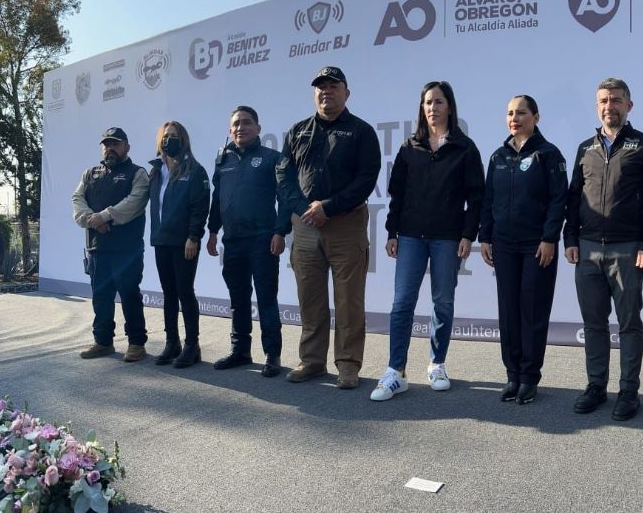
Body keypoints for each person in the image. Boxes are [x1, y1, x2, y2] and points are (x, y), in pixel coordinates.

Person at [371, 81, 485, 402]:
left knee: (443, 303)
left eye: (438, 102)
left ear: (449, 106)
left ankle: (437, 364)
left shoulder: (465, 148)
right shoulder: (409, 147)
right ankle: (396, 372)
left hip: (447, 238)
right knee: (402, 302)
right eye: (427, 103)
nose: (432, 108)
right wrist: (392, 232)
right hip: (410, 236)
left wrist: (467, 235)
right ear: (422, 109)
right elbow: (398, 195)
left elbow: (476, 198)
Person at [563, 78, 643, 421]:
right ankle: (596, 386)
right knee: (593, 323)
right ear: (598, 106)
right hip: (588, 249)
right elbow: (573, 197)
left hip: (628, 250)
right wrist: (570, 239)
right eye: (604, 101)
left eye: (617, 100)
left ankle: (628, 391)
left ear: (629, 106)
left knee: (628, 324)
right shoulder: (585, 148)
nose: (610, 106)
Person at [276, 66, 381, 389]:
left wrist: (329, 207)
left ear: (346, 93)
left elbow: (366, 179)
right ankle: (312, 361)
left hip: (345, 224)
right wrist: (304, 209)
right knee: (310, 297)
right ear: (314, 94)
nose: (326, 92)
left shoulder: (361, 132)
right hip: (305, 224)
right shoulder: (297, 131)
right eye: (321, 87)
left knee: (349, 299)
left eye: (333, 86)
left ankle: (348, 365)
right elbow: (283, 175)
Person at [478, 95, 568, 405]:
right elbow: (488, 200)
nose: (515, 118)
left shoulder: (549, 154)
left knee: (532, 311)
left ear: (536, 117)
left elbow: (559, 200)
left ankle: (530, 377)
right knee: (509, 311)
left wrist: (549, 238)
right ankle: (512, 374)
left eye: (522, 112)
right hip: (503, 245)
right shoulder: (498, 157)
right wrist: (485, 237)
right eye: (510, 113)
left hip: (536, 246)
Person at [207, 106, 291, 377]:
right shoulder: (223, 160)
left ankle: (272, 355)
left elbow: (285, 199)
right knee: (238, 298)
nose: (240, 127)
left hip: (262, 240)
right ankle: (240, 351)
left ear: (258, 128)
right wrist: (212, 231)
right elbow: (217, 199)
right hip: (232, 241)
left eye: (246, 123)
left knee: (266, 298)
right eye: (236, 124)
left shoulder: (272, 158)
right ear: (230, 130)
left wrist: (280, 231)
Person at [72, 127, 150, 362]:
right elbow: (77, 200)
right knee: (101, 296)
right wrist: (92, 221)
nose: (110, 148)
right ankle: (103, 342)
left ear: (127, 147)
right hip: (97, 247)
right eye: (106, 145)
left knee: (129, 295)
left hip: (127, 248)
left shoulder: (137, 173)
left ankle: (136, 343)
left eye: (115, 144)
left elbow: (135, 202)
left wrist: (105, 216)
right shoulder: (90, 174)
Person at [148, 121, 210, 368]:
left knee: (185, 292)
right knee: (169, 294)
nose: (168, 140)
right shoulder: (154, 171)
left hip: (185, 242)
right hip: (161, 240)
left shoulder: (194, 170)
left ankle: (192, 346)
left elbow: (200, 206)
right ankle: (171, 342)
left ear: (183, 140)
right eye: (165, 136)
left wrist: (194, 236)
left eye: (173, 136)